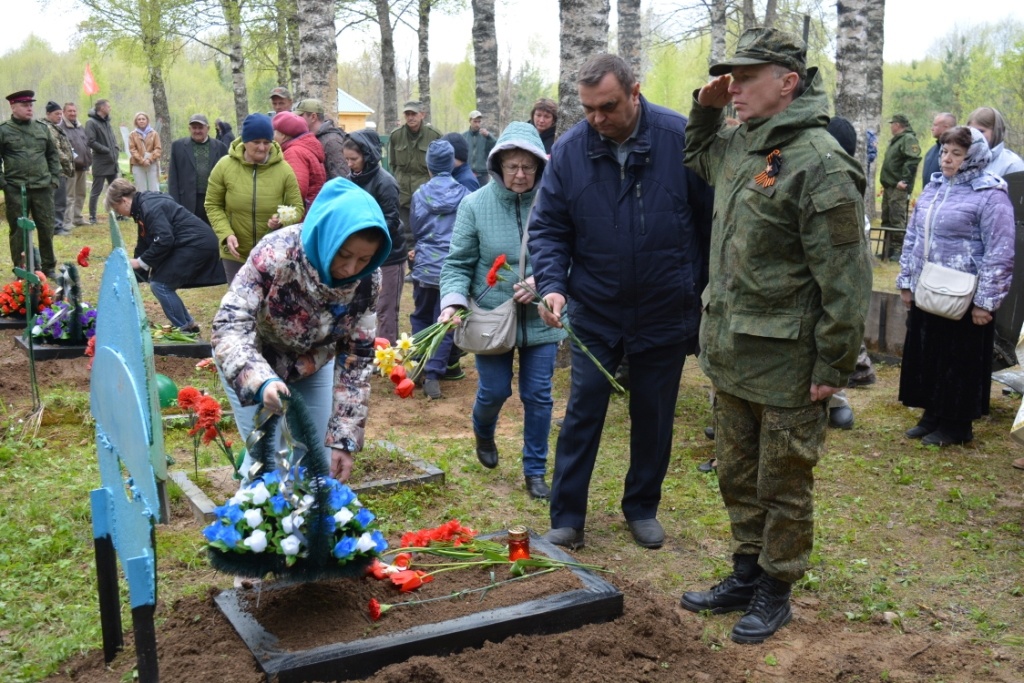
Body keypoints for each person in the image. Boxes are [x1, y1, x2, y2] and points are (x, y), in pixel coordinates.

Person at [679, 27, 872, 645]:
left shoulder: (818, 161)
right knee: (737, 472)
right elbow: (696, 157)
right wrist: (703, 111)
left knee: (783, 482)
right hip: (734, 350)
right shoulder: (740, 144)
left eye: (746, 77)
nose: (732, 87)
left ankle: (775, 588)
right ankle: (744, 571)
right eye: (729, 77)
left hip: (790, 361)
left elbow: (846, 278)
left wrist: (833, 363)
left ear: (787, 83)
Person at [529, 54, 713, 546]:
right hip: (596, 307)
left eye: (607, 106)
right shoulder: (569, 151)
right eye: (588, 108)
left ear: (635, 92)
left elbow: (713, 220)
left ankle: (641, 506)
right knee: (583, 411)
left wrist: (703, 290)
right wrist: (552, 284)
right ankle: (567, 516)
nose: (596, 119)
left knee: (653, 415)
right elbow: (549, 227)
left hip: (666, 306)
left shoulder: (680, 139)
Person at [212, 177, 391, 483]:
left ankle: (309, 530)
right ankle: (252, 527)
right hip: (252, 359)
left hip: (310, 365)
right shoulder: (276, 255)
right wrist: (260, 381)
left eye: (364, 259)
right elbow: (230, 324)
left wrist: (343, 441)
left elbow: (356, 358)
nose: (351, 269)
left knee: (314, 461)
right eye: (344, 255)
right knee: (269, 461)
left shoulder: (367, 281)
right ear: (326, 237)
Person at [441, 122, 566, 500]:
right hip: (491, 318)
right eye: (512, 166)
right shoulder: (474, 204)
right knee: (494, 390)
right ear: (497, 166)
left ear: (540, 167)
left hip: (542, 316)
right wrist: (453, 302)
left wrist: (542, 283)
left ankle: (534, 471)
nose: (520, 175)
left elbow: (573, 256)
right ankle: (483, 429)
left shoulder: (555, 202)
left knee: (539, 395)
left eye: (528, 167)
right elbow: (457, 264)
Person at [897, 126, 1014, 446]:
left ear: (973, 157)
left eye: (956, 154)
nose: (947, 159)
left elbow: (1000, 252)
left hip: (966, 295)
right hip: (929, 287)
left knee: (958, 359)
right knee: (930, 353)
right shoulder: (934, 188)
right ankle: (933, 413)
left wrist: (985, 303)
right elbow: (913, 238)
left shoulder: (990, 194)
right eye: (945, 151)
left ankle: (957, 424)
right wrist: (907, 282)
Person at [106, 178, 225, 332]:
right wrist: (131, 277)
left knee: (161, 285)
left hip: (196, 245)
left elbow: (164, 240)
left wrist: (141, 262)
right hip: (190, 244)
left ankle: (186, 328)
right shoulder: (142, 207)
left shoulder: (149, 208)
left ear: (124, 201)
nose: (119, 213)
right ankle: (188, 326)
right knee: (160, 281)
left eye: (116, 209)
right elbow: (144, 243)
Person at [205, 113, 303, 283]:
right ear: (244, 141)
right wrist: (226, 234)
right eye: (256, 142)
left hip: (272, 251)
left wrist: (282, 219)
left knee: (268, 305)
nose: (262, 148)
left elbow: (297, 208)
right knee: (240, 303)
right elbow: (213, 204)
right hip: (236, 253)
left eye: (267, 142)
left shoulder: (284, 170)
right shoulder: (224, 166)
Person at [410, 140, 469, 400]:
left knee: (422, 316)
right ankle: (433, 375)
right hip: (452, 269)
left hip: (424, 266)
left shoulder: (419, 194)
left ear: (429, 166)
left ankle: (417, 365)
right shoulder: (465, 194)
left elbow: (415, 227)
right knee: (445, 323)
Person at [342, 129, 406, 344]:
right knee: (359, 304)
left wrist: (369, 243)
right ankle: (359, 347)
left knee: (385, 308)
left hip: (389, 255)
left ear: (367, 156)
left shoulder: (385, 183)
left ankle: (385, 355)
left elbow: (392, 221)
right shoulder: (351, 180)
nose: (349, 164)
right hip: (361, 255)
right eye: (347, 160)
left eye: (354, 159)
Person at [0, 90, 60, 278]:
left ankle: (48, 266)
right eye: (25, 105)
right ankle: (22, 268)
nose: (29, 108)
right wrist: (4, 184)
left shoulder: (42, 128)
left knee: (46, 227)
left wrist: (54, 179)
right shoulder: (4, 130)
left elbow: (52, 155)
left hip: (43, 187)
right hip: (17, 189)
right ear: (13, 107)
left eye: (31, 105)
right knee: (19, 230)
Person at [388, 100, 442, 249]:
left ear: (422, 115)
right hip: (404, 193)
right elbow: (393, 164)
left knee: (427, 228)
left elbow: (440, 164)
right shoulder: (396, 136)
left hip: (425, 191)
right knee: (405, 231)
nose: (410, 117)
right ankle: (410, 261)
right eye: (407, 114)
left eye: (414, 114)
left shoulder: (434, 135)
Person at [167, 114, 229, 225]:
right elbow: (173, 178)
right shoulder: (178, 146)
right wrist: (174, 203)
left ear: (208, 128)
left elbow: (227, 175)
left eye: (200, 128)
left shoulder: (221, 147)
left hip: (213, 199)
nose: (197, 131)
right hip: (187, 200)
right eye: (194, 128)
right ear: (189, 129)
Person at [880, 113, 921, 258]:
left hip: (898, 187)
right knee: (887, 217)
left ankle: (898, 251)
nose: (891, 127)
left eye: (892, 124)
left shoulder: (908, 139)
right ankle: (887, 250)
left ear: (897, 125)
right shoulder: (897, 140)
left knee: (897, 218)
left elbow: (913, 160)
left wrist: (905, 181)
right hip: (889, 186)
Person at [272, 111, 326, 208]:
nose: (272, 137)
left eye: (274, 132)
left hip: (301, 216)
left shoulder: (294, 153)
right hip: (312, 210)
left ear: (283, 135)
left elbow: (297, 190)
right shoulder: (305, 148)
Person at [294, 98, 350, 180]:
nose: (297, 119)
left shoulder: (331, 142)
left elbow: (343, 179)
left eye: (300, 116)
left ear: (313, 117)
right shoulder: (315, 138)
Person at [41, 101, 74, 236]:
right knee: (58, 200)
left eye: (61, 114)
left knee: (59, 199)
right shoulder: (48, 128)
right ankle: (56, 226)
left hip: (59, 169)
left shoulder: (55, 127)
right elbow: (56, 150)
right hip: (56, 169)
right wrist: (67, 163)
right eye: (56, 114)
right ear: (48, 114)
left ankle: (56, 225)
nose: (59, 116)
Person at [85, 98, 120, 224]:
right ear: (102, 108)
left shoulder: (107, 122)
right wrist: (106, 150)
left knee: (115, 189)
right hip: (100, 161)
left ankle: (118, 213)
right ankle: (92, 217)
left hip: (112, 161)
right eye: (108, 106)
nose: (110, 108)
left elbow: (112, 138)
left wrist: (115, 148)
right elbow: (90, 141)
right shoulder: (91, 122)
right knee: (96, 191)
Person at [966, 107, 1024, 178]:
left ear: (996, 132)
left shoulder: (1012, 165)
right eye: (970, 131)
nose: (974, 136)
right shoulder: (960, 160)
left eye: (981, 131)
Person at [60, 102, 91, 229]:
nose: (72, 113)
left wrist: (89, 160)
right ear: (64, 113)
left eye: (74, 111)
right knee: (70, 196)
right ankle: (67, 221)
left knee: (81, 193)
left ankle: (77, 217)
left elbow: (86, 144)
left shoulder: (80, 127)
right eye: (69, 111)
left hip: (82, 166)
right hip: (70, 168)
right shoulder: (62, 128)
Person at [128, 112, 162, 193]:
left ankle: (155, 204)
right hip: (137, 164)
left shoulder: (154, 134)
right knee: (140, 189)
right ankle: (142, 205)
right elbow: (132, 149)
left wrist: (149, 159)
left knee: (154, 188)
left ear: (147, 121)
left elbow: (158, 149)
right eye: (139, 119)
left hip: (152, 163)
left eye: (143, 119)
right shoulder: (132, 135)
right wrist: (142, 161)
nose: (141, 121)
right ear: (136, 122)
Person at [463, 109, 496, 187]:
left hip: (483, 174)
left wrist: (489, 136)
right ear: (470, 121)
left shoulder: (486, 136)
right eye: (475, 121)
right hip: (468, 172)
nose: (477, 124)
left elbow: (495, 146)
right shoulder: (464, 136)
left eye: (479, 121)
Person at [922, 113, 956, 185]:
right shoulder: (932, 150)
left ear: (946, 127)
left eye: (935, 125)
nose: (932, 128)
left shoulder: (956, 152)